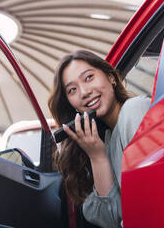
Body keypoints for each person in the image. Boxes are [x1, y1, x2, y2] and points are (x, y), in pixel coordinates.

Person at [48, 50, 150, 228]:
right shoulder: (105, 141)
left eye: (89, 78)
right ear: (72, 105)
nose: (84, 92)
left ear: (111, 78)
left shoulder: (134, 110)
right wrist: (98, 157)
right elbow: (109, 220)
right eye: (72, 90)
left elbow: (148, 202)